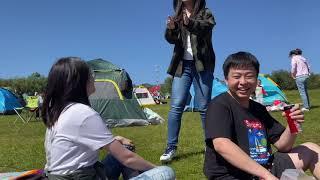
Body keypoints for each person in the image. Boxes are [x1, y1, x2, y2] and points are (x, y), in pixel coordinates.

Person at [42, 57, 175, 180]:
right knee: (167, 172)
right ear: (79, 82)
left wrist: (117, 139)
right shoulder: (83, 113)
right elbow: (127, 159)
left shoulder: (60, 111)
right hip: (78, 177)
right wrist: (156, 169)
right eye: (90, 75)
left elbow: (77, 144)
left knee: (126, 147)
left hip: (58, 176)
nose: (93, 78)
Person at [204, 51, 320, 179]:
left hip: (266, 168)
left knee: (312, 150)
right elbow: (222, 145)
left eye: (249, 76)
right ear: (226, 79)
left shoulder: (258, 108)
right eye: (236, 76)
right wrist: (267, 176)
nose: (243, 82)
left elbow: (283, 145)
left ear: (256, 79)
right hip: (232, 175)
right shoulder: (220, 105)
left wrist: (292, 124)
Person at [160, 0, 216, 162]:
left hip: (202, 64)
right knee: (176, 105)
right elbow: (173, 40)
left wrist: (189, 22)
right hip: (182, 66)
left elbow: (207, 27)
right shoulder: (177, 16)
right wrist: (170, 29)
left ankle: (210, 145)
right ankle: (171, 147)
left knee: (204, 106)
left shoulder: (205, 12)